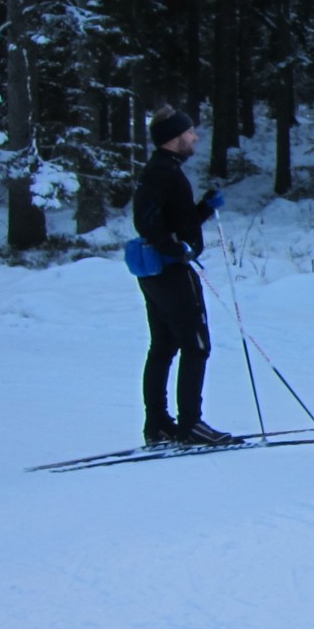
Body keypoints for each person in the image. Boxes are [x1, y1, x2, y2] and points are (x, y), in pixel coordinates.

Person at [132, 106, 231, 445]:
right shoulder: (163, 173)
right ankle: (190, 425)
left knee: (163, 346)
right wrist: (174, 248)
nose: (195, 137)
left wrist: (204, 208)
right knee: (196, 345)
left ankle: (158, 424)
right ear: (174, 139)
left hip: (158, 272)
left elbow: (177, 221)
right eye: (189, 133)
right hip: (171, 272)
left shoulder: (164, 170)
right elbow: (147, 222)